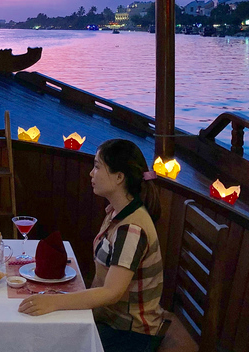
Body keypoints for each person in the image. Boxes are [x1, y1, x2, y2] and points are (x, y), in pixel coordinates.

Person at [18, 139, 164, 352]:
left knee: (49, 341)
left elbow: (112, 293)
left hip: (131, 332)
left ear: (119, 177)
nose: (91, 173)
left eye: (97, 166)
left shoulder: (131, 228)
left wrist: (55, 302)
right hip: (109, 317)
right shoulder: (115, 212)